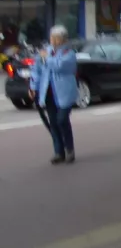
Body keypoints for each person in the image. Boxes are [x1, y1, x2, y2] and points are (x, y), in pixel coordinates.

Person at [29, 25, 79, 164]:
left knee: (62, 120)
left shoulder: (69, 53)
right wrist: (33, 87)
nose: (53, 41)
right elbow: (36, 69)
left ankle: (70, 149)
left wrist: (47, 59)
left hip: (64, 93)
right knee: (53, 123)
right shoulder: (46, 52)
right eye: (52, 37)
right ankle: (59, 152)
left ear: (63, 40)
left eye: (57, 38)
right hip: (48, 93)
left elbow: (60, 67)